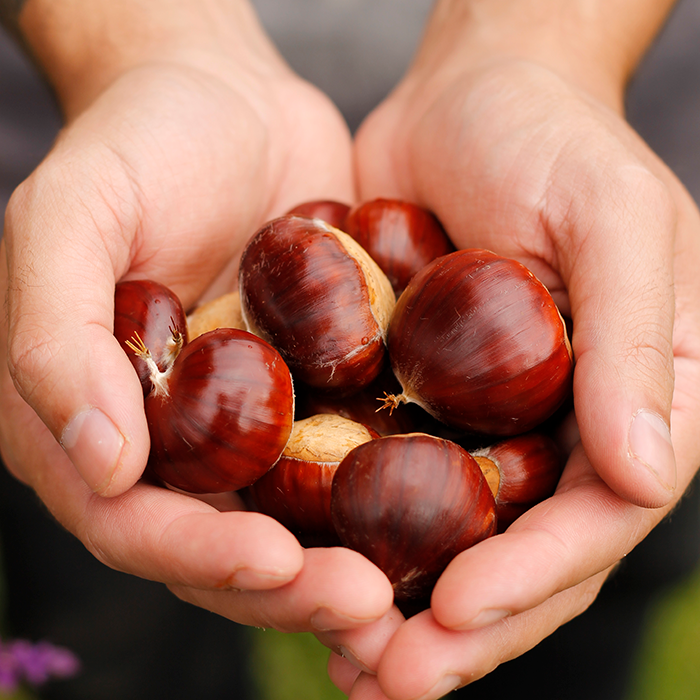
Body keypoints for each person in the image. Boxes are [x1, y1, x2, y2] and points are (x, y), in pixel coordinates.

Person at [1, 2, 699, 700]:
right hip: (98, 177)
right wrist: (131, 48)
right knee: (114, 639)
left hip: (605, 153)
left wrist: (550, 53)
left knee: (576, 630)